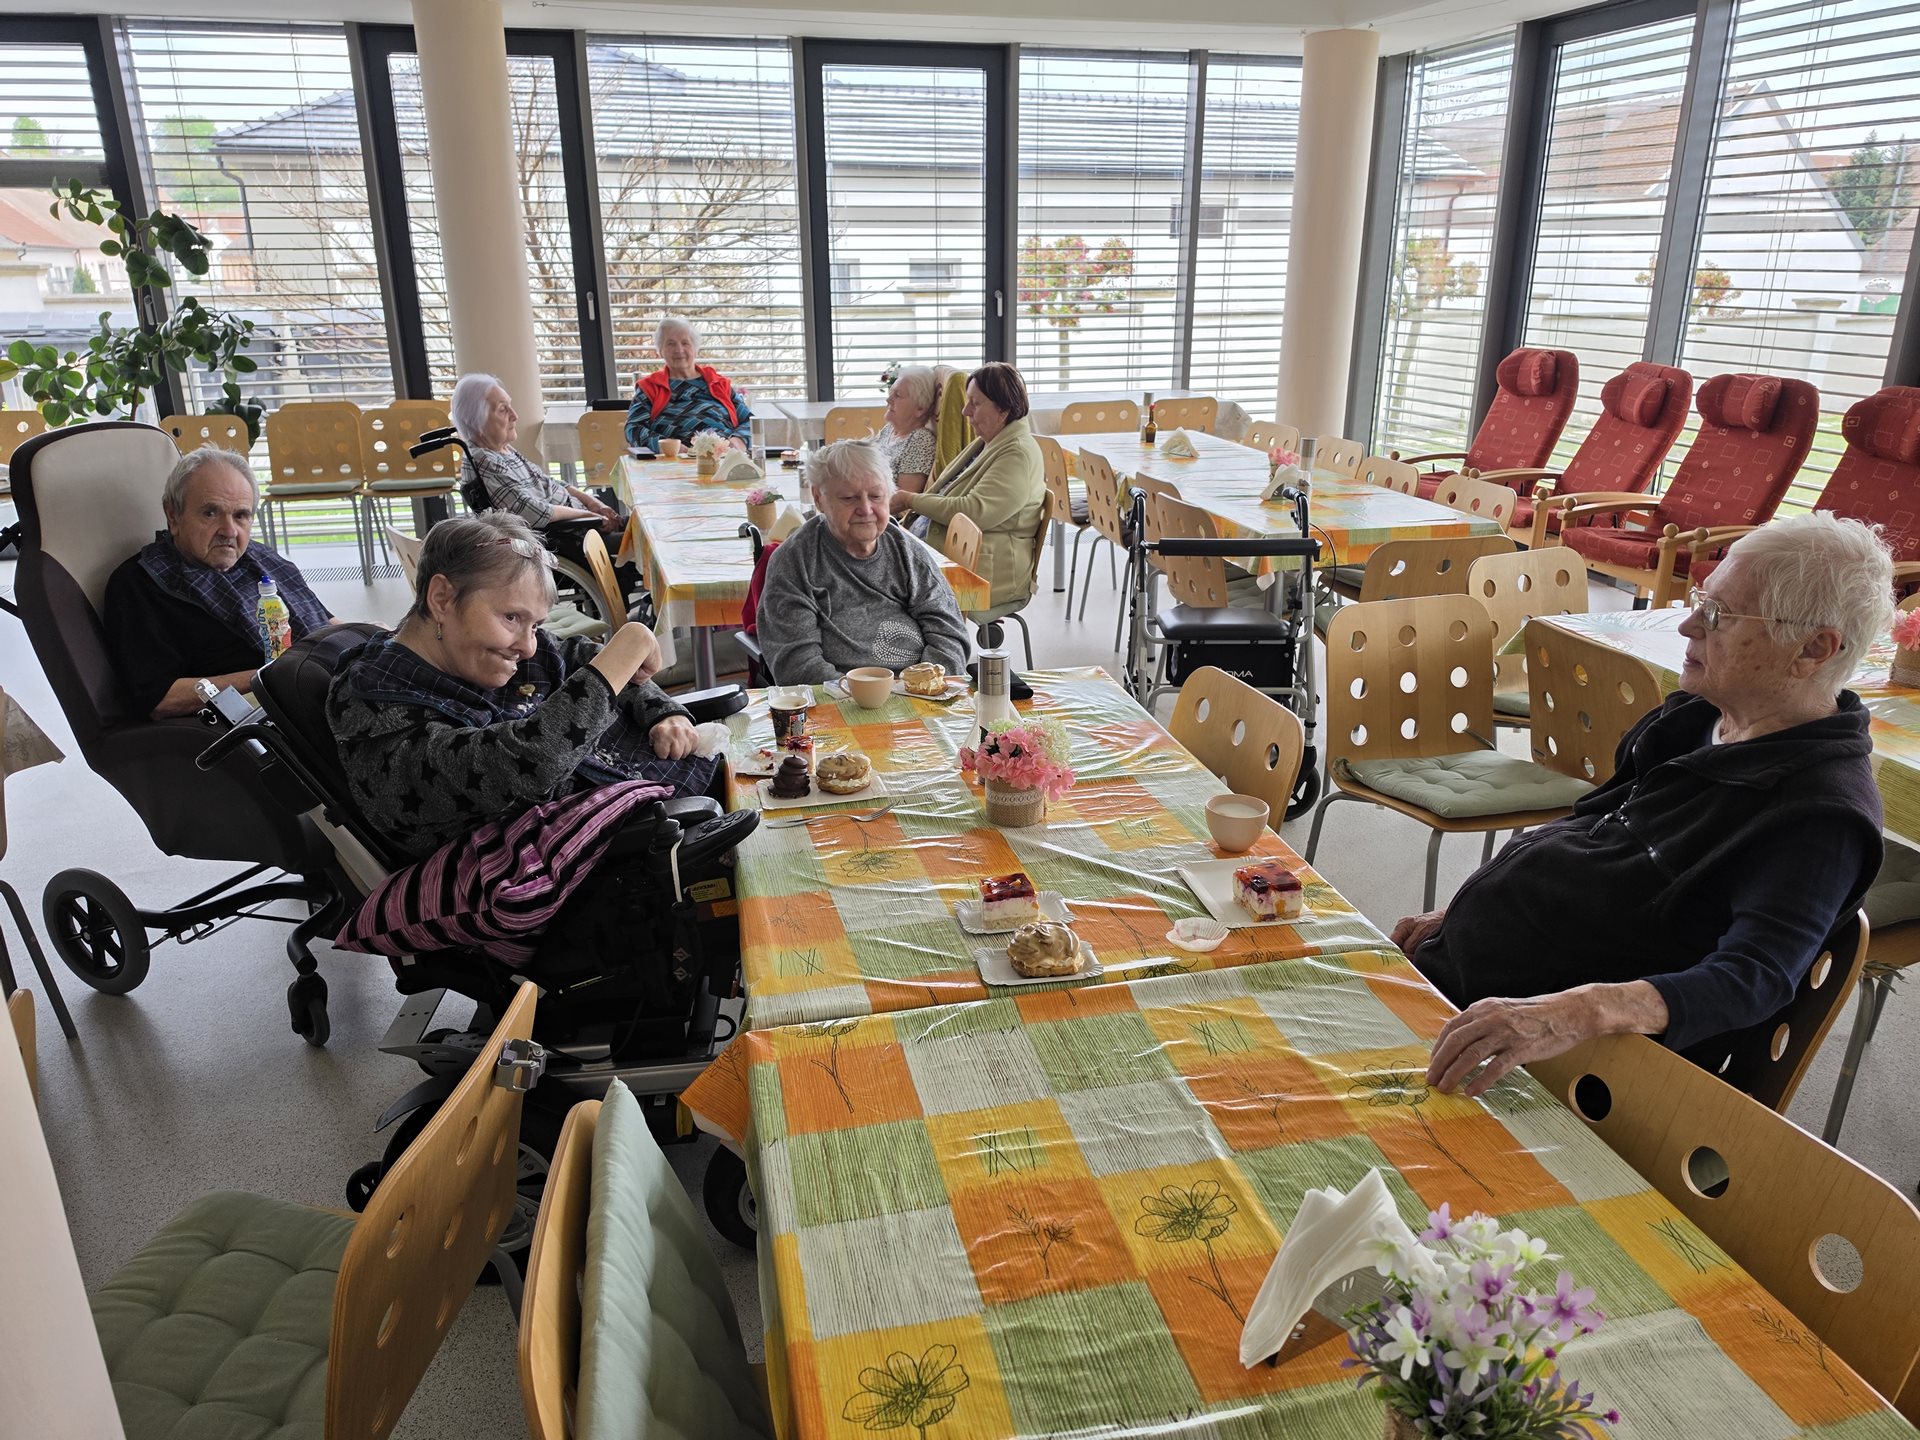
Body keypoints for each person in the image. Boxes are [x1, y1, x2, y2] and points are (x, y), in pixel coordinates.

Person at [1398, 512, 1892, 1098]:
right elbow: (1591, 825)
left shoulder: (1817, 816)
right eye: (1702, 600)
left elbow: (1752, 978)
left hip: (1549, 1062)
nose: (1687, 624)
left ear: (1813, 649)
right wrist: (1464, 914)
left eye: (1719, 615)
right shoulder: (1696, 717)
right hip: (1467, 987)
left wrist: (1575, 1012)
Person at [327, 512, 715, 861]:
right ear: (442, 597)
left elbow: (581, 656)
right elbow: (525, 763)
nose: (528, 646)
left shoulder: (480, 655)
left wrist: (662, 712)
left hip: (666, 791)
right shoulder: (380, 722)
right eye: (511, 617)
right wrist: (630, 641)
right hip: (617, 862)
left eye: (535, 625)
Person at [105, 443, 332, 719]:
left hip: (324, 684)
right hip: (265, 716)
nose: (229, 531)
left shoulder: (260, 558)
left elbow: (324, 621)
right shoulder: (140, 585)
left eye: (240, 515)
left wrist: (367, 637)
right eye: (210, 513)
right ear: (173, 515)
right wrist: (277, 674)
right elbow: (160, 698)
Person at [755, 440, 970, 684]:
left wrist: (917, 689)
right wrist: (865, 695)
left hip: (918, 693)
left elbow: (949, 637)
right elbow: (797, 665)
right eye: (849, 498)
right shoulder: (795, 562)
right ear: (818, 498)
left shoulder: (907, 552)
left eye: (876, 496)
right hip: (836, 697)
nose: (866, 509)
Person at [451, 373, 643, 610]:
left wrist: (594, 504)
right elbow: (533, 512)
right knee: (647, 542)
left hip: (582, 526)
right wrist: (590, 516)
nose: (514, 415)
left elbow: (550, 482)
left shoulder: (504, 451)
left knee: (644, 525)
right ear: (475, 420)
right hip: (568, 538)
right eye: (502, 410)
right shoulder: (485, 460)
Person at [889, 361, 1046, 609]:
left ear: (1003, 410)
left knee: (879, 588)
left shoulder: (1018, 454)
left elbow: (973, 512)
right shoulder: (987, 442)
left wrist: (909, 500)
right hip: (952, 560)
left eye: (975, 403)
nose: (965, 411)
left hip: (981, 581)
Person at [624, 317, 753, 452]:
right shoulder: (650, 387)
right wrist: (670, 447)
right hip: (675, 459)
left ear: (695, 348)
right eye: (671, 344)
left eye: (685, 343)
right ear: (660, 351)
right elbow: (633, 428)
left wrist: (738, 440)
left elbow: (749, 421)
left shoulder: (718, 384)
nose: (679, 350)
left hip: (722, 455)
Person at [875, 365, 939, 493]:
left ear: (920, 408)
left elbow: (903, 499)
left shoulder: (921, 440)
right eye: (891, 393)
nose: (888, 400)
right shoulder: (889, 430)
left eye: (898, 395)